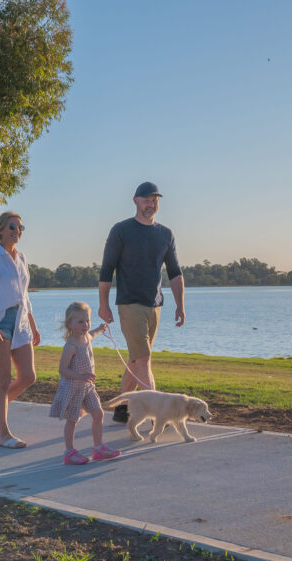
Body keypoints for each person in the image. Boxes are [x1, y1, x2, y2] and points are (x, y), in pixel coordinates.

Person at [98, 181, 185, 423]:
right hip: (129, 303)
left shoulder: (165, 234)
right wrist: (103, 304)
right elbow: (107, 270)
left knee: (137, 360)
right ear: (135, 200)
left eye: (155, 199)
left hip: (154, 305)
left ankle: (122, 408)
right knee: (144, 359)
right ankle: (162, 413)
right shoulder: (121, 230)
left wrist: (180, 305)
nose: (151, 204)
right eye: (146, 199)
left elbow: (175, 273)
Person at [0, 211, 41, 448]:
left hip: (20, 323)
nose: (17, 231)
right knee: (4, 379)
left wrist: (33, 326)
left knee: (29, 376)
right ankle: (4, 434)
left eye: (21, 227)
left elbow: (24, 297)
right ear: (0, 229)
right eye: (12, 227)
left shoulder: (21, 258)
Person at [49, 302, 121, 465]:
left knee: (98, 414)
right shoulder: (71, 345)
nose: (85, 325)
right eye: (80, 322)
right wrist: (80, 376)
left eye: (87, 321)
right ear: (69, 324)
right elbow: (62, 369)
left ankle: (98, 448)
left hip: (87, 388)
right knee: (72, 420)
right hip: (73, 388)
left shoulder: (86, 337)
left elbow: (93, 333)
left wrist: (101, 328)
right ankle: (69, 452)